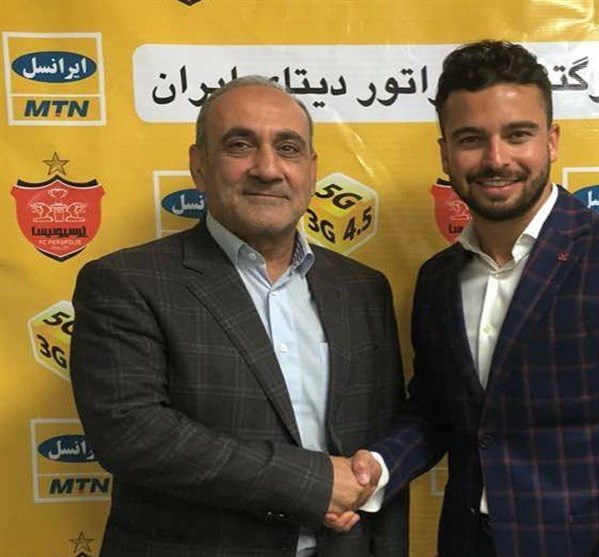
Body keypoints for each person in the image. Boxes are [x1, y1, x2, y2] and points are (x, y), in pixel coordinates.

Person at [338, 40, 599, 557]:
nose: (496, 159)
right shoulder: (437, 279)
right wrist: (376, 468)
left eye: (518, 135)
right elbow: (435, 413)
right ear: (444, 152)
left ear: (551, 141)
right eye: (471, 139)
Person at [70, 75, 407, 557]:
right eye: (240, 145)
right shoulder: (126, 281)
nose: (268, 169)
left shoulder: (363, 288)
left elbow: (380, 443)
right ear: (199, 165)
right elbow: (132, 432)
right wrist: (312, 483)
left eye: (288, 148)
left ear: (311, 170)